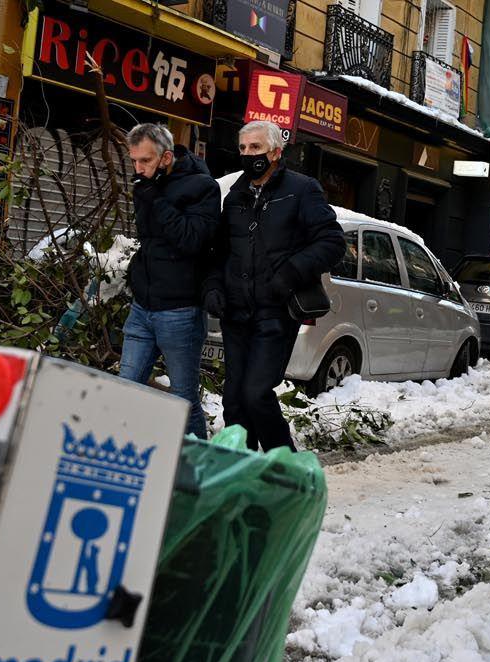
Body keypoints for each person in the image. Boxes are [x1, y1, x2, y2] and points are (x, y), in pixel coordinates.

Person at [203, 121, 345, 452]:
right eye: (243, 148)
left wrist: (289, 274)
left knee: (256, 394)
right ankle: (244, 473)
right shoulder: (234, 196)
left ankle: (286, 468)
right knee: (234, 402)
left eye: (256, 148)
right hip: (236, 314)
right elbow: (220, 252)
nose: (248, 154)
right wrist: (213, 287)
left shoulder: (302, 189)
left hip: (276, 313)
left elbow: (332, 242)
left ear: (276, 152)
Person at [118, 123, 220, 440]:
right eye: (134, 161)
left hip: (179, 311)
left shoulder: (203, 187)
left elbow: (192, 240)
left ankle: (201, 465)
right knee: (123, 388)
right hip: (143, 306)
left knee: (182, 398)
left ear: (165, 157)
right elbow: (150, 240)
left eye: (145, 161)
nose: (138, 169)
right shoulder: (147, 184)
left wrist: (157, 201)